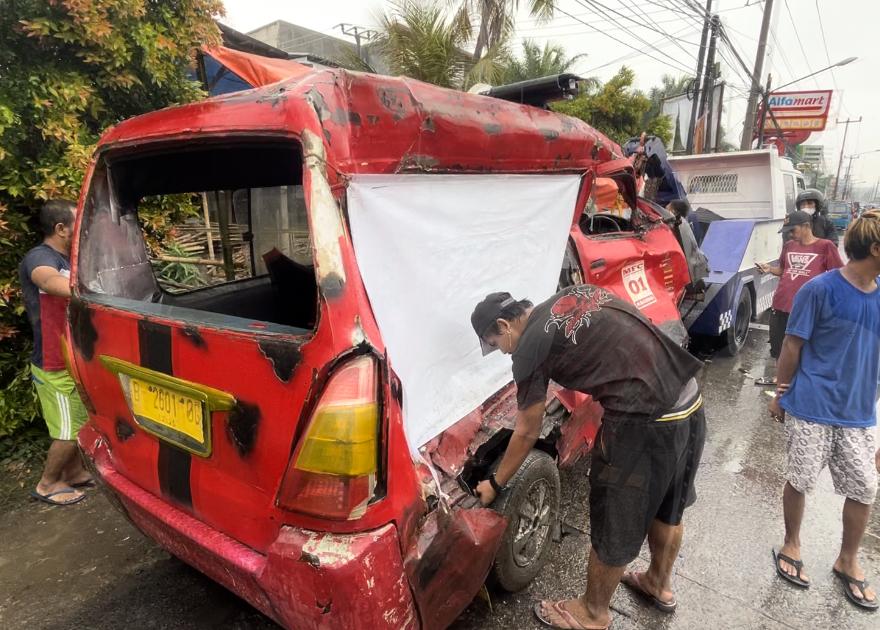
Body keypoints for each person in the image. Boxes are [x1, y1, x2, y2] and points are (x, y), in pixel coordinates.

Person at [470, 286, 705, 629]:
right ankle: (658, 583)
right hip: (689, 399)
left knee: (614, 515)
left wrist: (495, 482)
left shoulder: (528, 349)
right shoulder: (573, 293)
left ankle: (592, 613)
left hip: (645, 419)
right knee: (668, 507)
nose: (502, 352)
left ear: (505, 326)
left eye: (495, 344)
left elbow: (526, 431)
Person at [768, 210, 880, 610]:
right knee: (800, 479)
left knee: (865, 488)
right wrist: (780, 394)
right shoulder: (819, 290)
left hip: (858, 413)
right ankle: (792, 542)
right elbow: (792, 346)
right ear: (874, 248)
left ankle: (847, 558)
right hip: (812, 405)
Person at [19, 200, 92, 506]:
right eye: (77, 224)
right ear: (61, 228)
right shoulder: (40, 257)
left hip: (70, 355)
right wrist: (89, 287)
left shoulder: (69, 257)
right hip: (52, 364)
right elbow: (49, 280)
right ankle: (47, 484)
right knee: (68, 427)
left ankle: (73, 473)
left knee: (80, 418)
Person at [755, 210, 843, 384]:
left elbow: (838, 276)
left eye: (792, 230)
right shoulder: (789, 246)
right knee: (779, 345)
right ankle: (781, 379)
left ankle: (801, 380)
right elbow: (783, 270)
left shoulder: (825, 247)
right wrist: (769, 269)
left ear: (806, 226)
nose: (790, 234)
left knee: (804, 347)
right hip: (781, 304)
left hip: (807, 309)